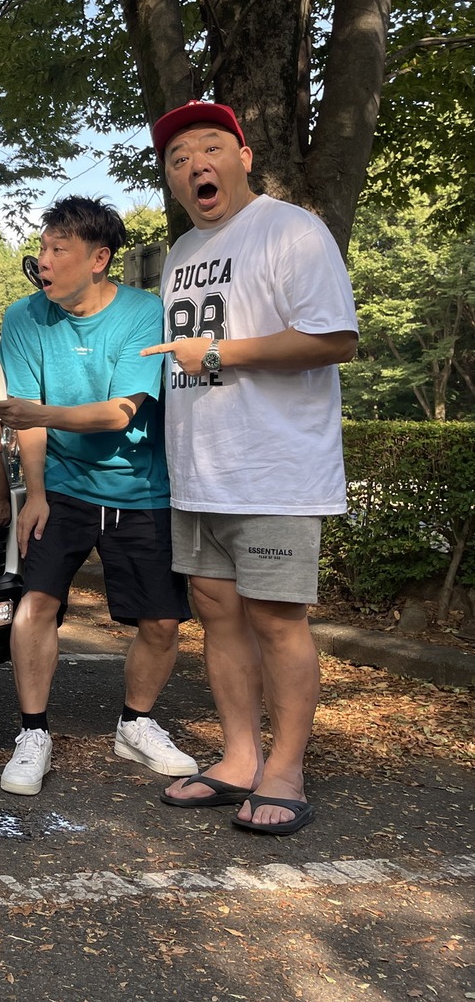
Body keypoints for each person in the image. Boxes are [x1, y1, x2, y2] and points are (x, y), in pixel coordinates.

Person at [142, 101, 359, 835]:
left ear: (243, 155)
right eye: (178, 159)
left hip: (275, 470)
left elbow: (334, 337)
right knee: (217, 616)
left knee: (276, 619)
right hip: (201, 471)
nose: (195, 164)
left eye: (209, 148)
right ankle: (238, 758)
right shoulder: (178, 254)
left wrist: (223, 352)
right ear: (173, 182)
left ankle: (286, 769)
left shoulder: (291, 228)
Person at [0, 195, 194, 796]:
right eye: (42, 249)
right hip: (65, 489)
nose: (43, 262)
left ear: (99, 258)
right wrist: (37, 495)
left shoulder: (142, 312)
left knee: (160, 620)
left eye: (58, 251)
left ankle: (137, 724)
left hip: (142, 489)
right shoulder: (23, 317)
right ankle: (33, 734)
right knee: (35, 606)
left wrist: (35, 412)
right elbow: (29, 422)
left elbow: (120, 413)